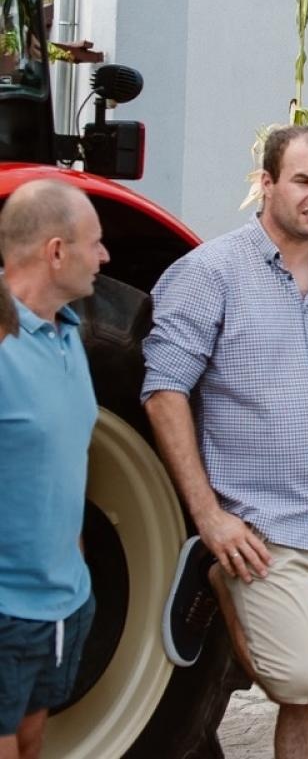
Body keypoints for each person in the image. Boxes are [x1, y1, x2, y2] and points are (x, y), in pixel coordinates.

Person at [143, 126, 308, 759]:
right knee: (300, 677)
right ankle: (223, 583)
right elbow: (163, 391)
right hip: (258, 524)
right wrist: (209, 516)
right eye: (303, 181)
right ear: (267, 184)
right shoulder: (208, 275)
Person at [0, 181, 105, 759]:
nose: (105, 256)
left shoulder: (68, 336)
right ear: (56, 251)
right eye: (96, 243)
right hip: (5, 608)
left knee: (35, 737)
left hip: (66, 603)